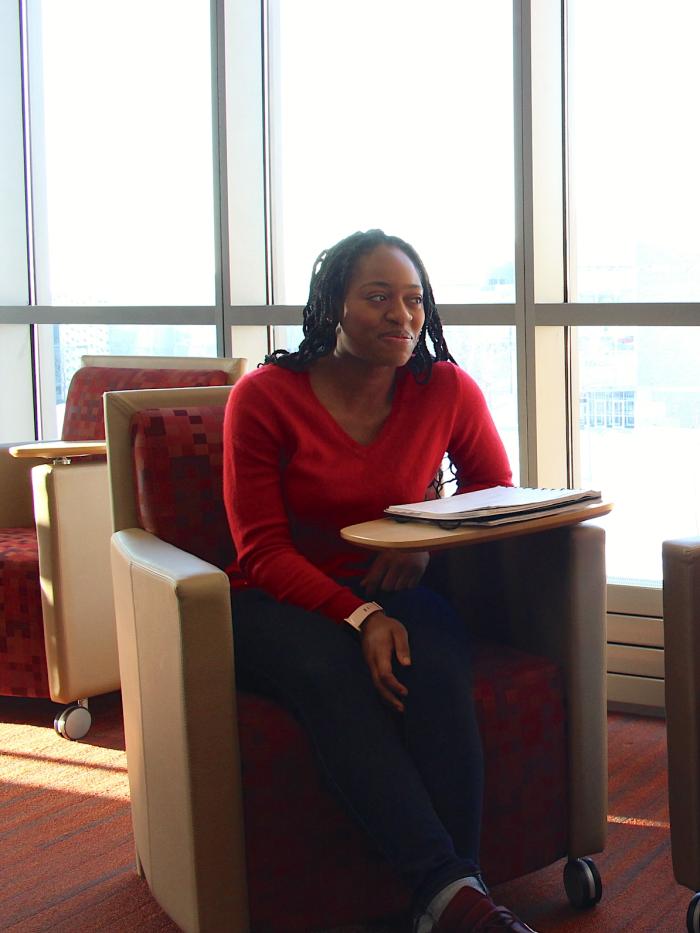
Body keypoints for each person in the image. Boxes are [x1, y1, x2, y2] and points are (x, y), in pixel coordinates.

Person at [223, 229, 538, 933]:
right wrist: (360, 618)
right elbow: (261, 551)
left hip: (395, 583)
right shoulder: (264, 397)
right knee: (332, 664)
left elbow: (491, 490)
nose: (403, 315)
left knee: (433, 660)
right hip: (275, 599)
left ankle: (460, 897)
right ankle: (457, 896)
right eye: (377, 297)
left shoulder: (445, 387)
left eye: (414, 299)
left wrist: (422, 542)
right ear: (332, 303)